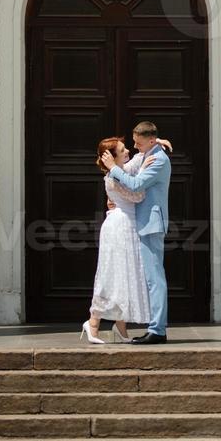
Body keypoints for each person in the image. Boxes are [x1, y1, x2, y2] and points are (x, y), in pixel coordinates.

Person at [102, 120, 171, 344]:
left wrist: (113, 168)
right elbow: (132, 169)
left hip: (151, 224)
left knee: (155, 279)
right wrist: (157, 142)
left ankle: (158, 330)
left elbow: (135, 185)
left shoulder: (158, 159)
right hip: (143, 223)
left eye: (138, 143)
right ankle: (155, 327)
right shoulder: (149, 152)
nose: (134, 147)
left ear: (149, 141)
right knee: (151, 278)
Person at [81, 137, 152, 344]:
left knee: (125, 275)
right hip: (119, 227)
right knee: (112, 274)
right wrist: (143, 174)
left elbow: (134, 161)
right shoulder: (113, 177)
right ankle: (93, 322)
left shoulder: (120, 170)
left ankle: (121, 327)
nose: (127, 151)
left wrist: (155, 143)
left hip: (127, 226)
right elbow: (137, 196)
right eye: (123, 150)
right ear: (113, 158)